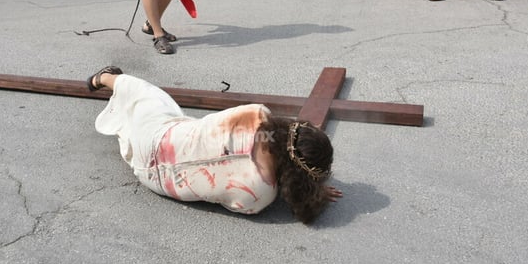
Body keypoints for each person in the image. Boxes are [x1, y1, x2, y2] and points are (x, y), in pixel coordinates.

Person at [89, 66, 341, 219]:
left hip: (161, 136)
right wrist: (307, 190)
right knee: (147, 116)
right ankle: (115, 93)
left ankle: (105, 78)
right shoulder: (260, 198)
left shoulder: (257, 115)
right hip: (155, 179)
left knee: (148, 95)